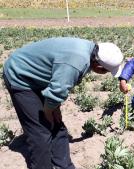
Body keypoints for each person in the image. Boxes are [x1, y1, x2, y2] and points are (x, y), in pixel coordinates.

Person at [2, 37, 124, 169]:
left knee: (57, 125)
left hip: (38, 76)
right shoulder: (75, 62)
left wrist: (55, 109)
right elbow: (57, 91)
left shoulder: (89, 51)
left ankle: (64, 166)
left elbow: (58, 85)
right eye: (105, 71)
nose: (104, 74)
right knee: (40, 132)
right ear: (98, 66)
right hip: (19, 75)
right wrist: (49, 112)